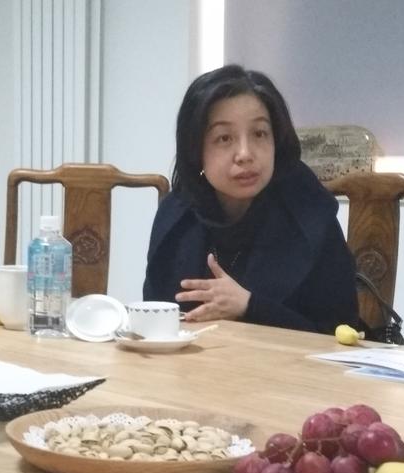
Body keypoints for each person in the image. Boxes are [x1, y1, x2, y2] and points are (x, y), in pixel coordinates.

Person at [143, 64, 358, 334]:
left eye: (259, 134)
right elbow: (154, 321)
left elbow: (340, 334)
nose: (245, 154)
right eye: (224, 138)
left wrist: (250, 307)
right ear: (196, 150)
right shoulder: (176, 217)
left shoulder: (310, 214)